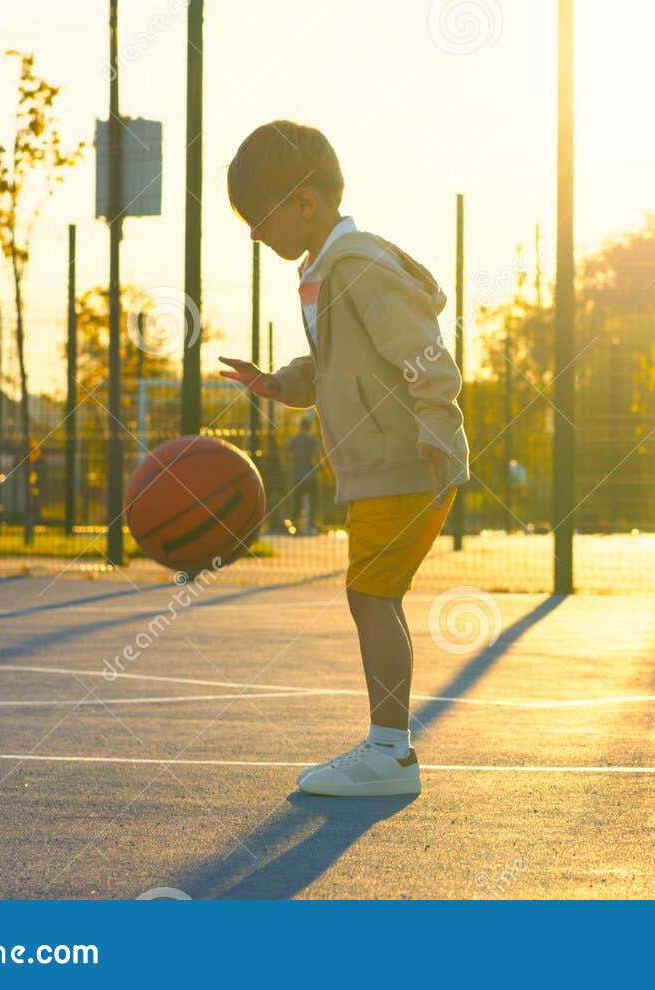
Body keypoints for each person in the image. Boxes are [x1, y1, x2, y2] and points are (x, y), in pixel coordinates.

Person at [218, 121, 469, 798]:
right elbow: (336, 366)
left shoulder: (356, 266)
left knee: (372, 595)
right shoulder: (325, 271)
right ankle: (389, 750)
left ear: (305, 203)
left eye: (258, 217)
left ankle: (389, 755)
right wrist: (281, 383)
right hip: (381, 464)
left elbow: (423, 352)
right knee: (373, 595)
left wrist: (438, 428)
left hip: (406, 460)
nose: (252, 233)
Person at [287, 415, 319, 535]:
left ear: (300, 427)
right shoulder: (313, 440)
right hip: (311, 475)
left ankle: (296, 526)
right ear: (310, 427)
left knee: (296, 502)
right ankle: (312, 524)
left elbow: (287, 454)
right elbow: (316, 456)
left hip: (296, 475)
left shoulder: (294, 440)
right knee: (313, 501)